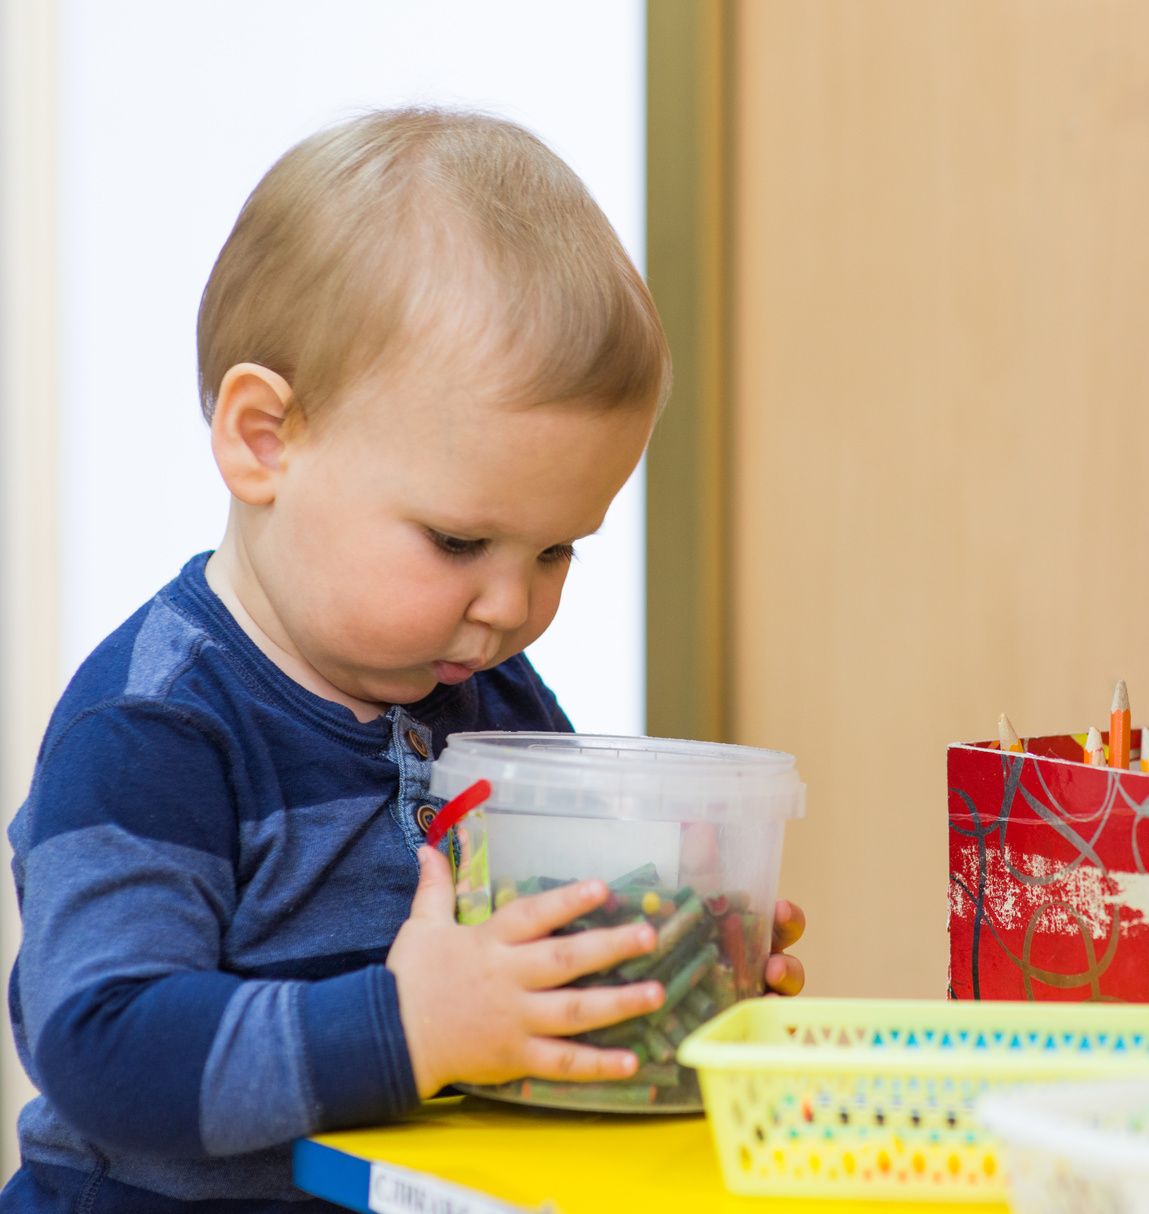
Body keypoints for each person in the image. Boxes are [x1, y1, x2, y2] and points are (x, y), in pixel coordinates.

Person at [0, 108, 806, 1211]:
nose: (514, 602)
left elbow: (523, 968)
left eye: (558, 547)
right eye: (460, 541)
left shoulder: (493, 700)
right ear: (263, 440)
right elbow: (98, 1041)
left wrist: (661, 956)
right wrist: (402, 1025)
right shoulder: (158, 726)